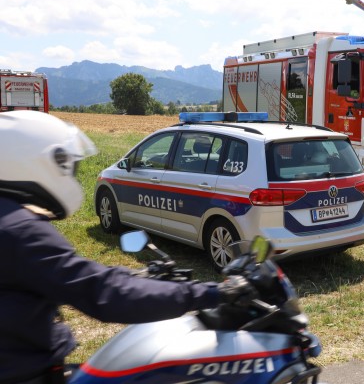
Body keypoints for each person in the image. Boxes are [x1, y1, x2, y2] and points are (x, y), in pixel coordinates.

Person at [0, 111, 255, 384]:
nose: (71, 172)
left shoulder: (10, 222)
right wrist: (211, 292)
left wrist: (137, 277)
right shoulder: (20, 231)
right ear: (37, 162)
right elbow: (101, 292)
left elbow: (61, 277)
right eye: (67, 164)